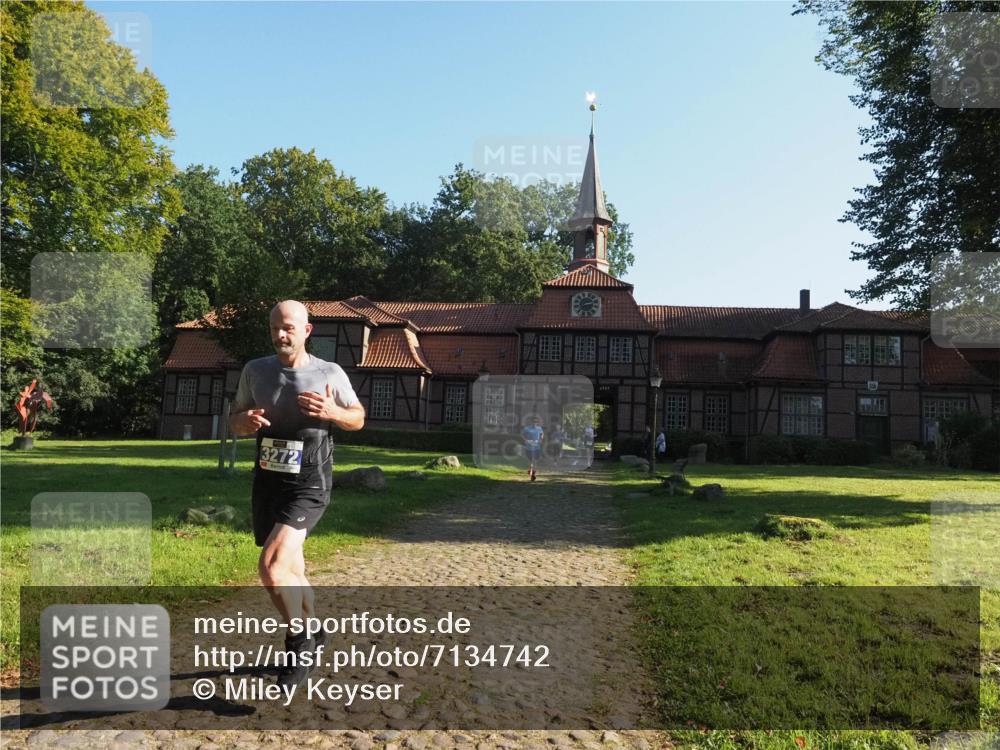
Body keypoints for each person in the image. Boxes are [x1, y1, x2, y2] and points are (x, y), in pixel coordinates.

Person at [230, 300, 365, 688]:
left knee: (272, 567)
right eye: (274, 328)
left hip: (310, 480)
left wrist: (332, 412)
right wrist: (246, 421)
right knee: (294, 569)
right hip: (269, 478)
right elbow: (233, 420)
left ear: (307, 331)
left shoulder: (330, 372)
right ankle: (315, 631)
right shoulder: (255, 371)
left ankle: (298, 640)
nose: (280, 335)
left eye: (288, 328)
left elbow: (357, 418)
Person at [521, 415, 544, 481]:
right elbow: (522, 434)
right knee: (530, 460)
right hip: (529, 447)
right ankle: (530, 470)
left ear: (537, 423)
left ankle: (533, 473)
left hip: (537, 447)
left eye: (536, 422)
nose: (535, 423)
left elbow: (542, 434)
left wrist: (541, 439)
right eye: (533, 421)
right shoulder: (527, 428)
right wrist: (525, 440)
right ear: (531, 422)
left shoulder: (539, 428)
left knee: (535, 460)